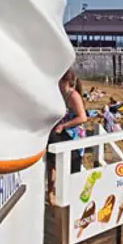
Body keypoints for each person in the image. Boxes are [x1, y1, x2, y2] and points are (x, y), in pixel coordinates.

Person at [47, 70, 88, 203]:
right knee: (52, 161)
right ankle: (51, 192)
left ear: (64, 82)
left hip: (73, 136)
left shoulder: (73, 95)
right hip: (63, 134)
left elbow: (83, 117)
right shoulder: (62, 95)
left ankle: (72, 198)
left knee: (72, 169)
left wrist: (63, 126)